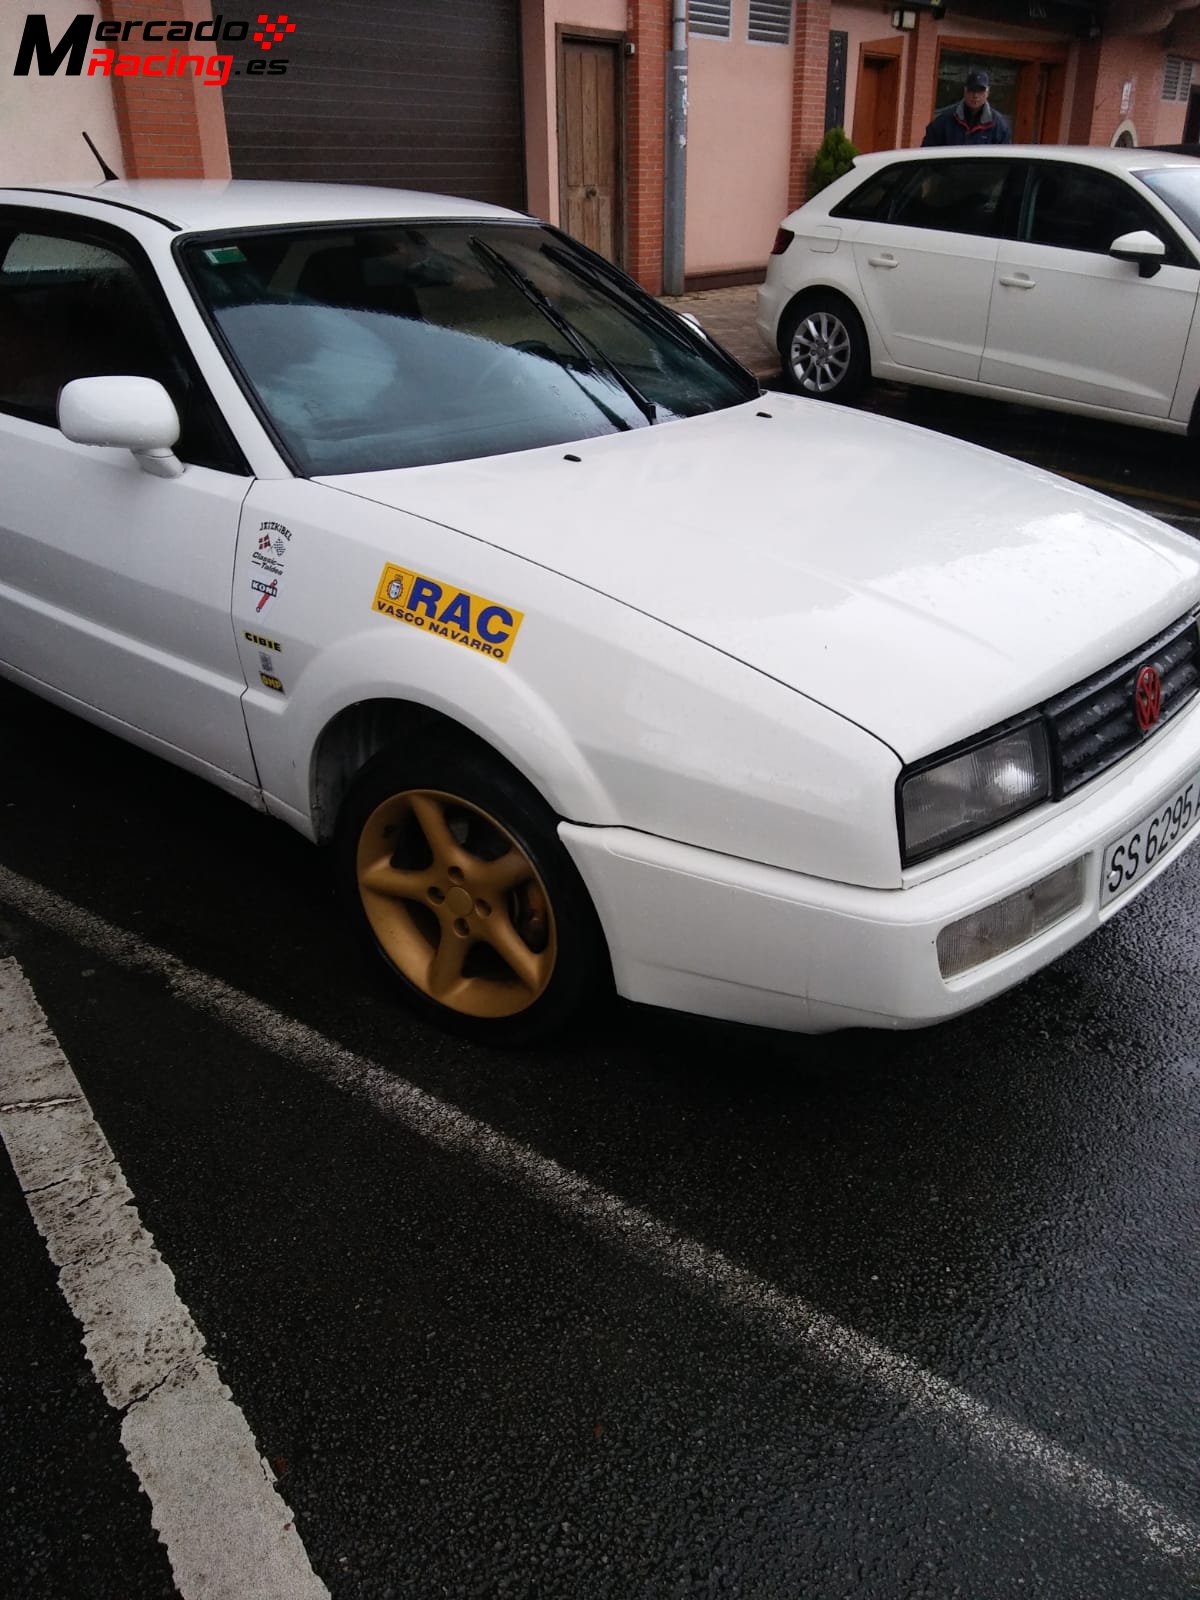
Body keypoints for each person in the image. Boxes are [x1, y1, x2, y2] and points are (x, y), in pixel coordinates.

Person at [922, 68, 1012, 146]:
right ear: (965, 91)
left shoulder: (999, 125)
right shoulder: (944, 121)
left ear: (987, 93)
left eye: (980, 91)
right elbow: (927, 154)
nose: (975, 96)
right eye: (972, 90)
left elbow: (1005, 160)